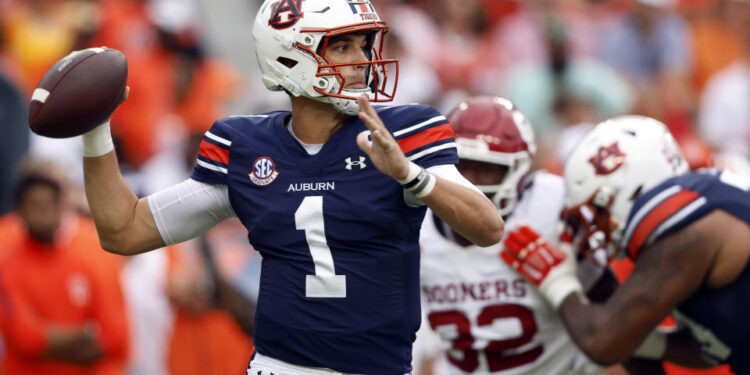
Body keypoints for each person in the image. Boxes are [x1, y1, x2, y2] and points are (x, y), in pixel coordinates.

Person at [75, 0, 504, 374]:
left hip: (380, 366)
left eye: (363, 43)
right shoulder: (244, 147)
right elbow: (125, 231)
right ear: (289, 58)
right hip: (280, 366)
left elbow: (487, 228)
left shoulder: (402, 132)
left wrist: (411, 175)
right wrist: (95, 129)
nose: (361, 59)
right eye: (342, 45)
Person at [500, 115, 750, 373]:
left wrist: (558, 284)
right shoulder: (706, 203)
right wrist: (646, 341)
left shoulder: (687, 229)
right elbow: (714, 349)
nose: (596, 230)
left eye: (598, 211)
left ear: (630, 190)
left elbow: (603, 343)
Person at [418, 96, 606, 375]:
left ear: (517, 170)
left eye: (485, 168)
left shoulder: (555, 208)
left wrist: (564, 280)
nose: (468, 181)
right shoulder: (416, 224)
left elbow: (612, 318)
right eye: (460, 164)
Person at [0, 172, 129, 375]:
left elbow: (115, 336)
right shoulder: (8, 266)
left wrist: (48, 343)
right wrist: (84, 339)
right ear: (19, 210)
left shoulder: (90, 259)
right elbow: (24, 337)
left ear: (62, 207)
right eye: (34, 205)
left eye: (49, 204)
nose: (43, 213)